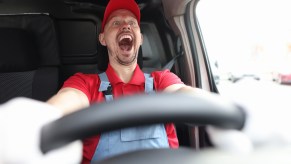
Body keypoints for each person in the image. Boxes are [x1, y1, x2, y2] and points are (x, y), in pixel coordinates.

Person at [46, 0, 198, 163]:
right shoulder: (84, 83)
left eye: (132, 22)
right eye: (116, 22)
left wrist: (209, 103)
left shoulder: (161, 80)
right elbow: (68, 99)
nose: (125, 26)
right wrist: (40, 116)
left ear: (140, 38)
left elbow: (183, 94)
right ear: (103, 38)